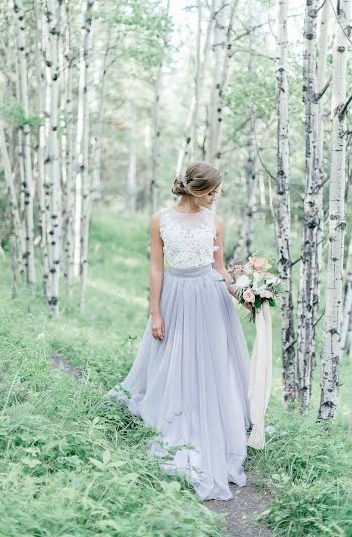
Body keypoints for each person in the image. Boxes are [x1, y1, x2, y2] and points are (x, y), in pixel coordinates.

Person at [107, 161, 253, 501]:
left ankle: (214, 424)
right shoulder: (161, 219)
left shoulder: (215, 222)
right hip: (175, 294)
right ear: (196, 190)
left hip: (209, 297)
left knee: (213, 363)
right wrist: (155, 312)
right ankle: (176, 419)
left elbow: (219, 269)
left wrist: (245, 295)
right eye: (212, 192)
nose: (216, 198)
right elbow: (157, 268)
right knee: (176, 359)